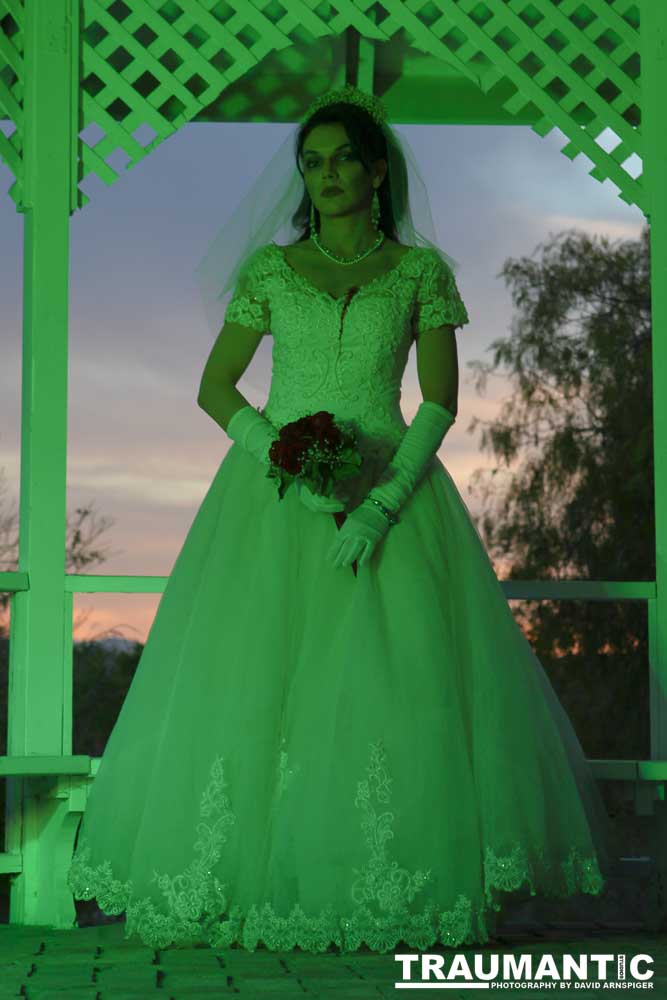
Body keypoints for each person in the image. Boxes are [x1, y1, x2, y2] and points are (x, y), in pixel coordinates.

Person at [66, 86, 614, 955]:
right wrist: (283, 460)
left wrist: (381, 504)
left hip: (393, 493)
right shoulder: (271, 272)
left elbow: (439, 400)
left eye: (341, 159)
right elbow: (215, 388)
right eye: (311, 163)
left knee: (396, 691)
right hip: (270, 504)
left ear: (375, 168)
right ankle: (251, 880)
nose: (325, 175)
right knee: (252, 684)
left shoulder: (421, 272)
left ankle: (386, 882)